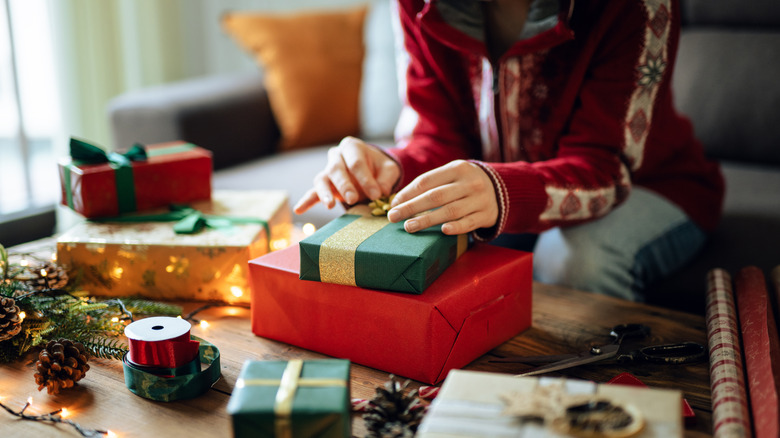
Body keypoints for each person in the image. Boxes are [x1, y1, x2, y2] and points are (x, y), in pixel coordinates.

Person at [294, 0, 724, 302]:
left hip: (655, 184)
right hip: (506, 191)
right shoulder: (419, 4)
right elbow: (438, 136)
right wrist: (390, 165)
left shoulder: (632, 7)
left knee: (577, 262)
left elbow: (606, 169)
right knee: (421, 237)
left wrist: (499, 191)